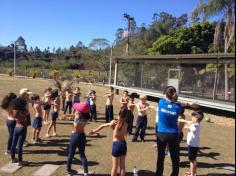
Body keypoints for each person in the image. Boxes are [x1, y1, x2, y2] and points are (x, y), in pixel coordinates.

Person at [155, 86, 198, 176]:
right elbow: (178, 102)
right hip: (173, 135)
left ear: (166, 95)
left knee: (160, 157)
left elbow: (169, 99)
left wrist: (186, 103)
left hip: (161, 134)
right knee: (175, 158)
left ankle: (158, 174)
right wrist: (189, 104)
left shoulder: (161, 102)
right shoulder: (177, 107)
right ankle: (174, 174)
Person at [89, 107, 129, 176]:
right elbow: (125, 133)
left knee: (115, 166)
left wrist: (94, 131)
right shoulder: (126, 123)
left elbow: (103, 125)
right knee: (122, 166)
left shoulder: (115, 122)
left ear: (119, 114)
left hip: (116, 145)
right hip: (123, 144)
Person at [67, 103, 91, 175]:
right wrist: (66, 115)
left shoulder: (77, 117)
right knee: (82, 154)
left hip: (75, 136)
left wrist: (75, 118)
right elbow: (75, 115)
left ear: (80, 112)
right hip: (82, 136)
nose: (76, 110)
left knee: (71, 154)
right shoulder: (86, 116)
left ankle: (69, 171)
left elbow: (75, 126)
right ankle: (86, 172)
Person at [179, 110, 204, 176]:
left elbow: (185, 126)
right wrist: (184, 120)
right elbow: (187, 122)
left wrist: (189, 122)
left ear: (196, 118)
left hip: (192, 146)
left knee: (191, 161)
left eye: (192, 117)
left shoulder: (193, 126)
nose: (191, 118)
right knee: (194, 159)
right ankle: (193, 172)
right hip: (195, 145)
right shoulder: (197, 125)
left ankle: (192, 174)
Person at [11, 97, 29, 166]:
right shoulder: (24, 110)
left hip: (16, 128)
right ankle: (20, 161)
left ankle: (13, 159)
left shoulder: (14, 110)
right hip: (22, 128)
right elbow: (27, 113)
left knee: (13, 143)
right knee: (20, 145)